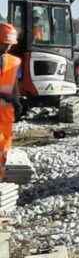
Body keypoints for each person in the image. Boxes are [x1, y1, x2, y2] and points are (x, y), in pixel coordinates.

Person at [0, 24, 22, 180]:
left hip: (6, 112)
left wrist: (17, 101)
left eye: (9, 45)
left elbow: (14, 85)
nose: (7, 47)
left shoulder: (14, 61)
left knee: (4, 147)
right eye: (4, 44)